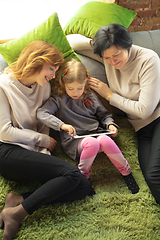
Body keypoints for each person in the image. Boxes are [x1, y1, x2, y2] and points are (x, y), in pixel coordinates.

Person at [0, 41, 93, 240]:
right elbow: (4, 131)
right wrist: (41, 140)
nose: (53, 75)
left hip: (32, 150)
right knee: (71, 175)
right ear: (36, 61)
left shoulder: (43, 87)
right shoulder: (3, 86)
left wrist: (44, 153)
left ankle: (18, 200)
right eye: (51, 68)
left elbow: (42, 122)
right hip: (7, 151)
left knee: (83, 186)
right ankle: (16, 214)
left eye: (56, 70)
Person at [37, 58, 139, 196]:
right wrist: (61, 125)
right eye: (71, 88)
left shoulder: (90, 96)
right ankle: (83, 178)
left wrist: (110, 125)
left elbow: (104, 115)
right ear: (63, 84)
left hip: (95, 133)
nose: (76, 92)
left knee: (105, 140)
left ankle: (127, 173)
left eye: (80, 88)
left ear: (85, 83)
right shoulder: (58, 99)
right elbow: (41, 113)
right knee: (92, 144)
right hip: (75, 141)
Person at [87, 23, 160, 204]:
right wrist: (92, 42)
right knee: (148, 175)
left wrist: (110, 96)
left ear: (127, 44)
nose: (113, 61)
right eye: (107, 57)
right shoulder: (107, 54)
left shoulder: (148, 60)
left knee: (153, 175)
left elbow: (145, 110)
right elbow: (70, 41)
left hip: (157, 118)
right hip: (142, 129)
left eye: (117, 54)